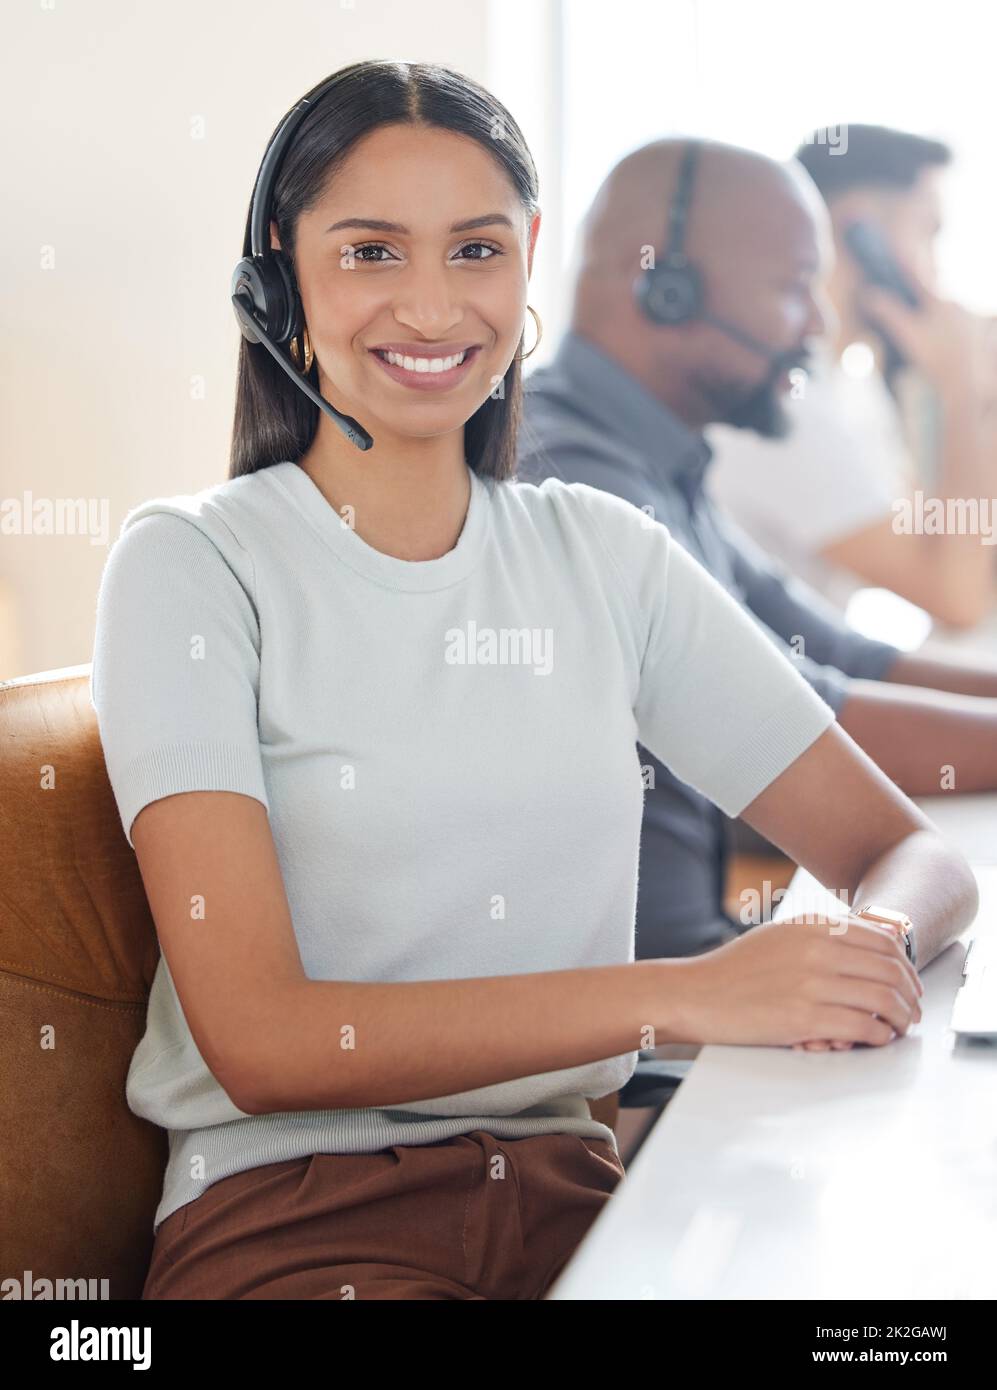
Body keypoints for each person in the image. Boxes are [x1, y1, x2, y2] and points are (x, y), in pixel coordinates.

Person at [91, 68, 970, 1302]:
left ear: (528, 266)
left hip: (579, 1199)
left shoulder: (601, 552)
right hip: (302, 1224)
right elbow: (264, 1039)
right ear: (279, 273)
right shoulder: (190, 566)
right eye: (371, 252)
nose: (433, 302)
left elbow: (909, 850)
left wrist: (861, 950)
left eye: (476, 249)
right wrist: (693, 996)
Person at [518, 136, 997, 969]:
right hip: (639, 1042)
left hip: (690, 987)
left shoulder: (665, 459)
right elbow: (811, 709)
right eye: (790, 288)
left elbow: (847, 656)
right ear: (662, 290)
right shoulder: (573, 474)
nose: (816, 321)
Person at [708, 125, 997, 624]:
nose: (937, 271)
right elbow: (956, 596)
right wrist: (960, 388)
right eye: (929, 232)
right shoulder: (784, 400)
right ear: (861, 234)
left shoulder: (850, 392)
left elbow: (957, 547)